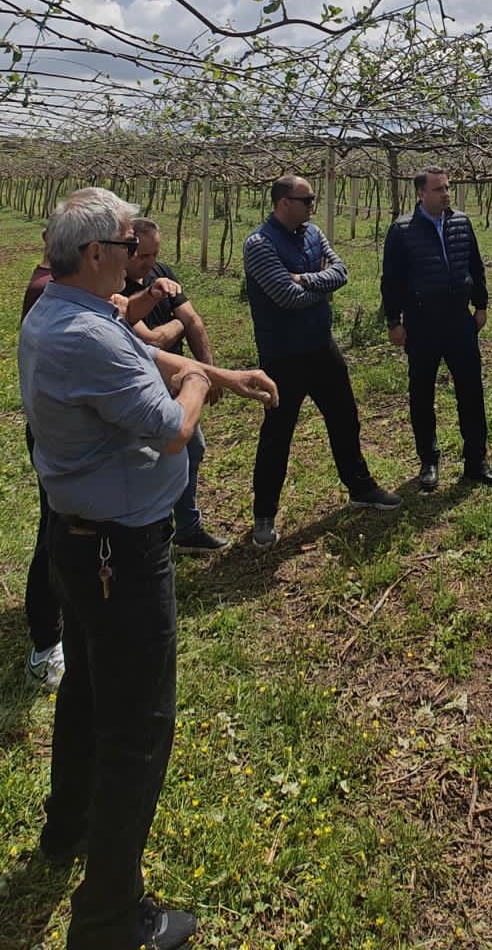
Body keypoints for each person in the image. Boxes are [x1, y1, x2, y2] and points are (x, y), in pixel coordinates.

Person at [18, 187, 278, 950]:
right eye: (130, 245)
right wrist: (198, 386)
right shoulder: (84, 332)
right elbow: (169, 431)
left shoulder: (64, 309)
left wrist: (220, 372)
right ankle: (109, 919)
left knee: (87, 692)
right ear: (97, 252)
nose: (139, 256)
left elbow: (139, 352)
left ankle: (67, 828)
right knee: (138, 726)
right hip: (119, 555)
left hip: (80, 542)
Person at [245, 175, 401, 548]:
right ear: (284, 203)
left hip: (321, 346)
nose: (313, 205)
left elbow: (341, 272)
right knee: (277, 434)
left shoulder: (313, 233)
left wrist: (304, 279)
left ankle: (360, 487)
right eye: (307, 199)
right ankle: (264, 513)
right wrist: (321, 286)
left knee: (345, 418)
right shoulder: (259, 244)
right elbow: (286, 297)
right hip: (282, 355)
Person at [381, 166, 492, 492]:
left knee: (471, 392)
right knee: (422, 394)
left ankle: (476, 460)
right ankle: (429, 460)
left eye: (447, 187)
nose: (446, 193)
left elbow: (475, 265)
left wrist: (481, 305)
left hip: (459, 320)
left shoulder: (461, 221)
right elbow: (391, 280)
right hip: (422, 323)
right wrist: (394, 321)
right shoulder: (402, 229)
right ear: (421, 193)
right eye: (438, 189)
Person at [121, 217, 229, 554]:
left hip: (177, 385)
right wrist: (178, 325)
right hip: (143, 389)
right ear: (125, 250)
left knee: (191, 449)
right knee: (152, 459)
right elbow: (152, 340)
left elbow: (193, 320)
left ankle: (182, 527)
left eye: (155, 254)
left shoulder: (162, 275)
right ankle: (159, 529)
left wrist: (210, 371)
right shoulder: (115, 288)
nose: (150, 263)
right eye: (143, 256)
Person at [20, 239, 63, 690]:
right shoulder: (47, 290)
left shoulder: (49, 285)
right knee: (54, 532)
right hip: (56, 433)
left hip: (53, 428)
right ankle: (45, 643)